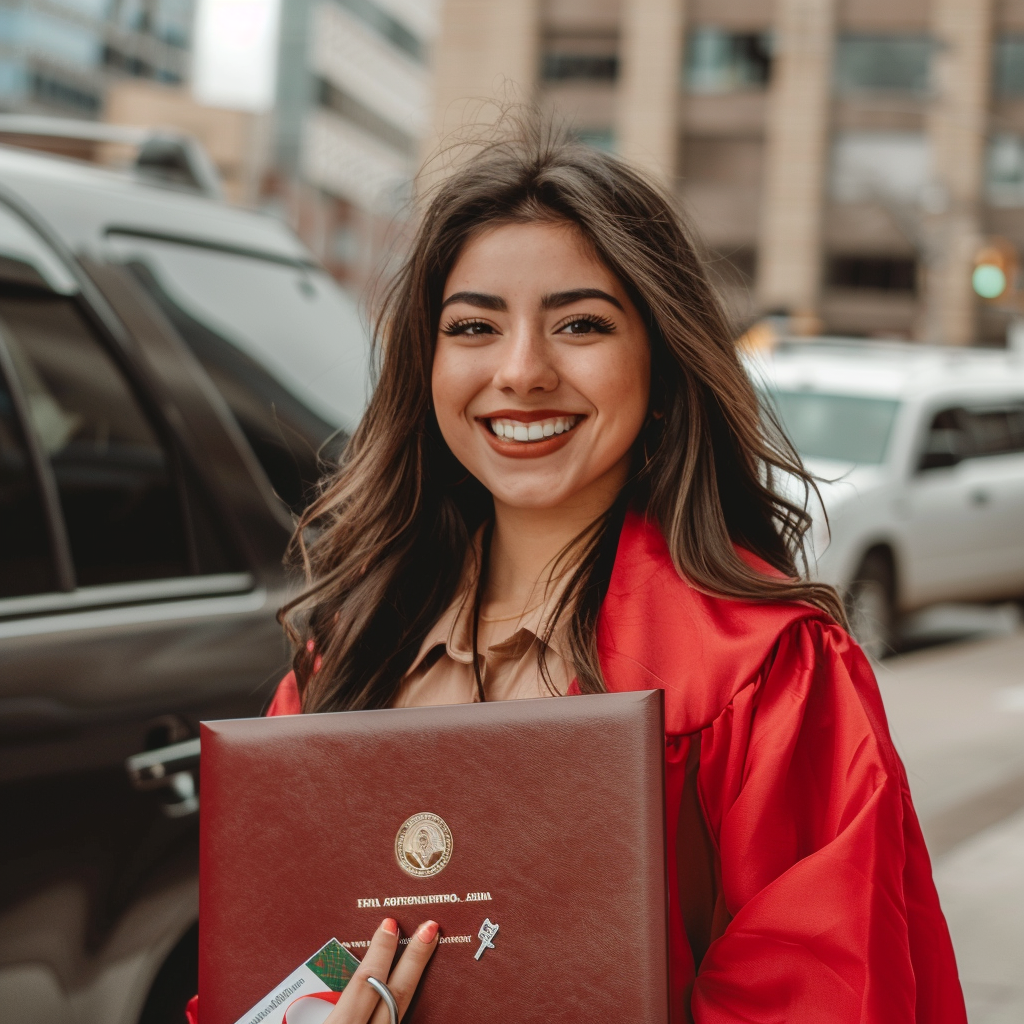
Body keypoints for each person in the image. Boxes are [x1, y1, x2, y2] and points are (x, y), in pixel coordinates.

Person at [188, 124, 966, 1024]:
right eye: (474, 326)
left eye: (581, 325)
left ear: (662, 365)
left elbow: (832, 998)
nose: (521, 372)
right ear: (426, 365)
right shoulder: (347, 659)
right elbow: (268, 980)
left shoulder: (764, 678)